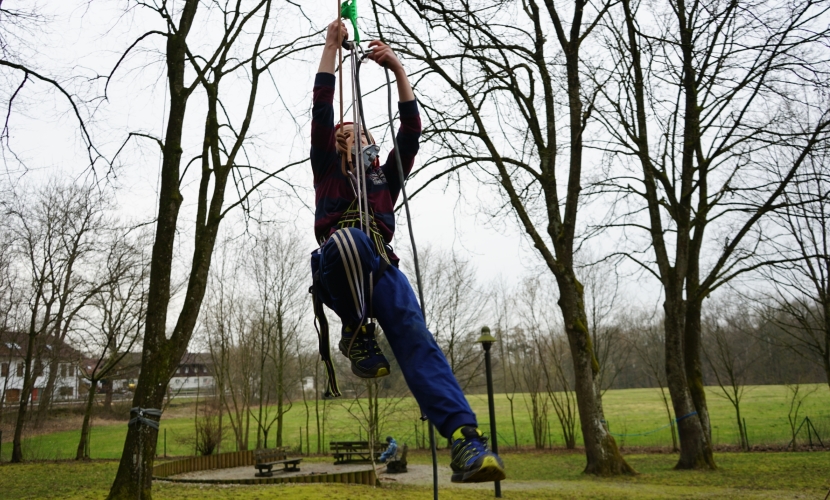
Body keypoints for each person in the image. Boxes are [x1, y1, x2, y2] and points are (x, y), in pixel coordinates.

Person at [309, 20, 506, 484]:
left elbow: (411, 131)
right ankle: (356, 332)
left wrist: (397, 69)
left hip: (382, 269)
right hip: (339, 266)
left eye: (364, 135)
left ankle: (464, 440)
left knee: (419, 340)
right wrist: (330, 50)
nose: (360, 139)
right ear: (339, 146)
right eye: (350, 135)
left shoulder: (383, 179)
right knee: (348, 241)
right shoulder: (328, 173)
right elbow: (320, 109)